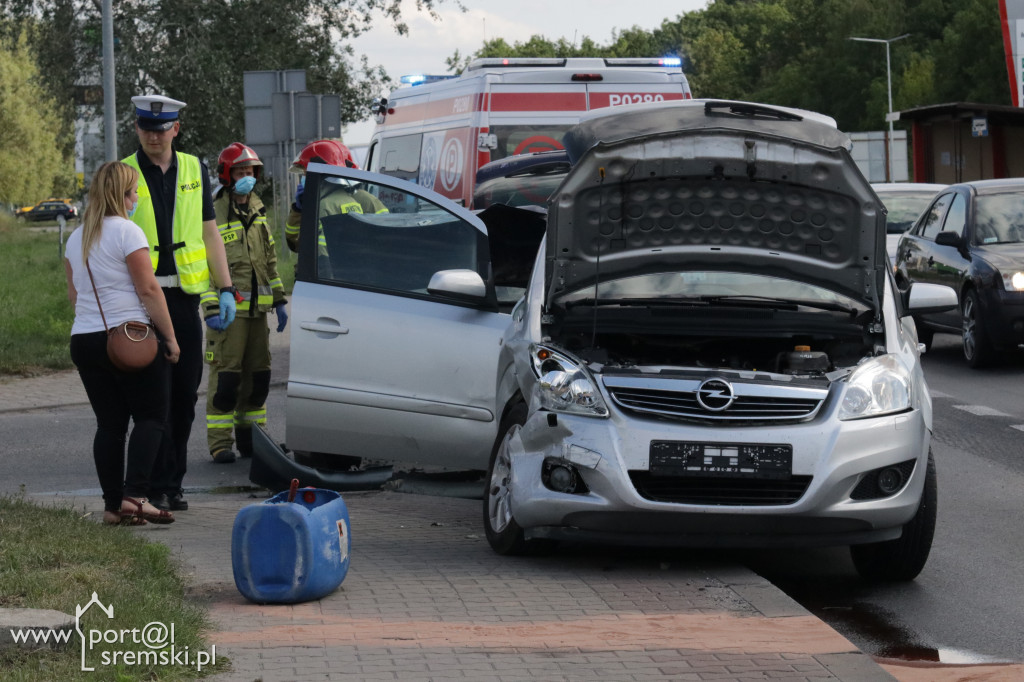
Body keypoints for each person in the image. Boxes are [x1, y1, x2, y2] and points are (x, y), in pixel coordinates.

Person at [122, 94, 236, 512]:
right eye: (146, 129)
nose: (154, 136)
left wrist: (225, 289)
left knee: (185, 397)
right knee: (153, 400)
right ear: (136, 129)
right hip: (142, 299)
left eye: (162, 128)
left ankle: (172, 484)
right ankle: (149, 485)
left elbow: (210, 233)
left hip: (185, 298)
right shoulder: (124, 173)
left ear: (176, 129)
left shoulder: (193, 168)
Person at [64, 161, 180, 526]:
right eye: (132, 192)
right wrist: (171, 338)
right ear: (120, 195)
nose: (136, 198)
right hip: (129, 338)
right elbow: (148, 289)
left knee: (109, 424)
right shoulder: (128, 233)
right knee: (152, 415)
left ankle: (113, 506)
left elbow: (74, 295)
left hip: (85, 340)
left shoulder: (75, 238)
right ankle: (137, 495)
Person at [202, 143, 288, 463]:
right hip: (229, 314)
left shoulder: (258, 209)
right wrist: (211, 306)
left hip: (258, 313)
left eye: (251, 172)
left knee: (259, 379)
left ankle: (254, 441)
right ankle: (220, 443)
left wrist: (279, 300)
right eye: (240, 172)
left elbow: (269, 261)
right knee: (227, 380)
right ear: (227, 175)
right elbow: (205, 264)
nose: (247, 177)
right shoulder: (212, 213)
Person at [284, 139, 387, 256]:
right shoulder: (321, 201)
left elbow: (309, 250)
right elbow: (296, 242)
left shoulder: (326, 205)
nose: (303, 178)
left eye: (306, 173)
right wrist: (298, 210)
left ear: (321, 173)